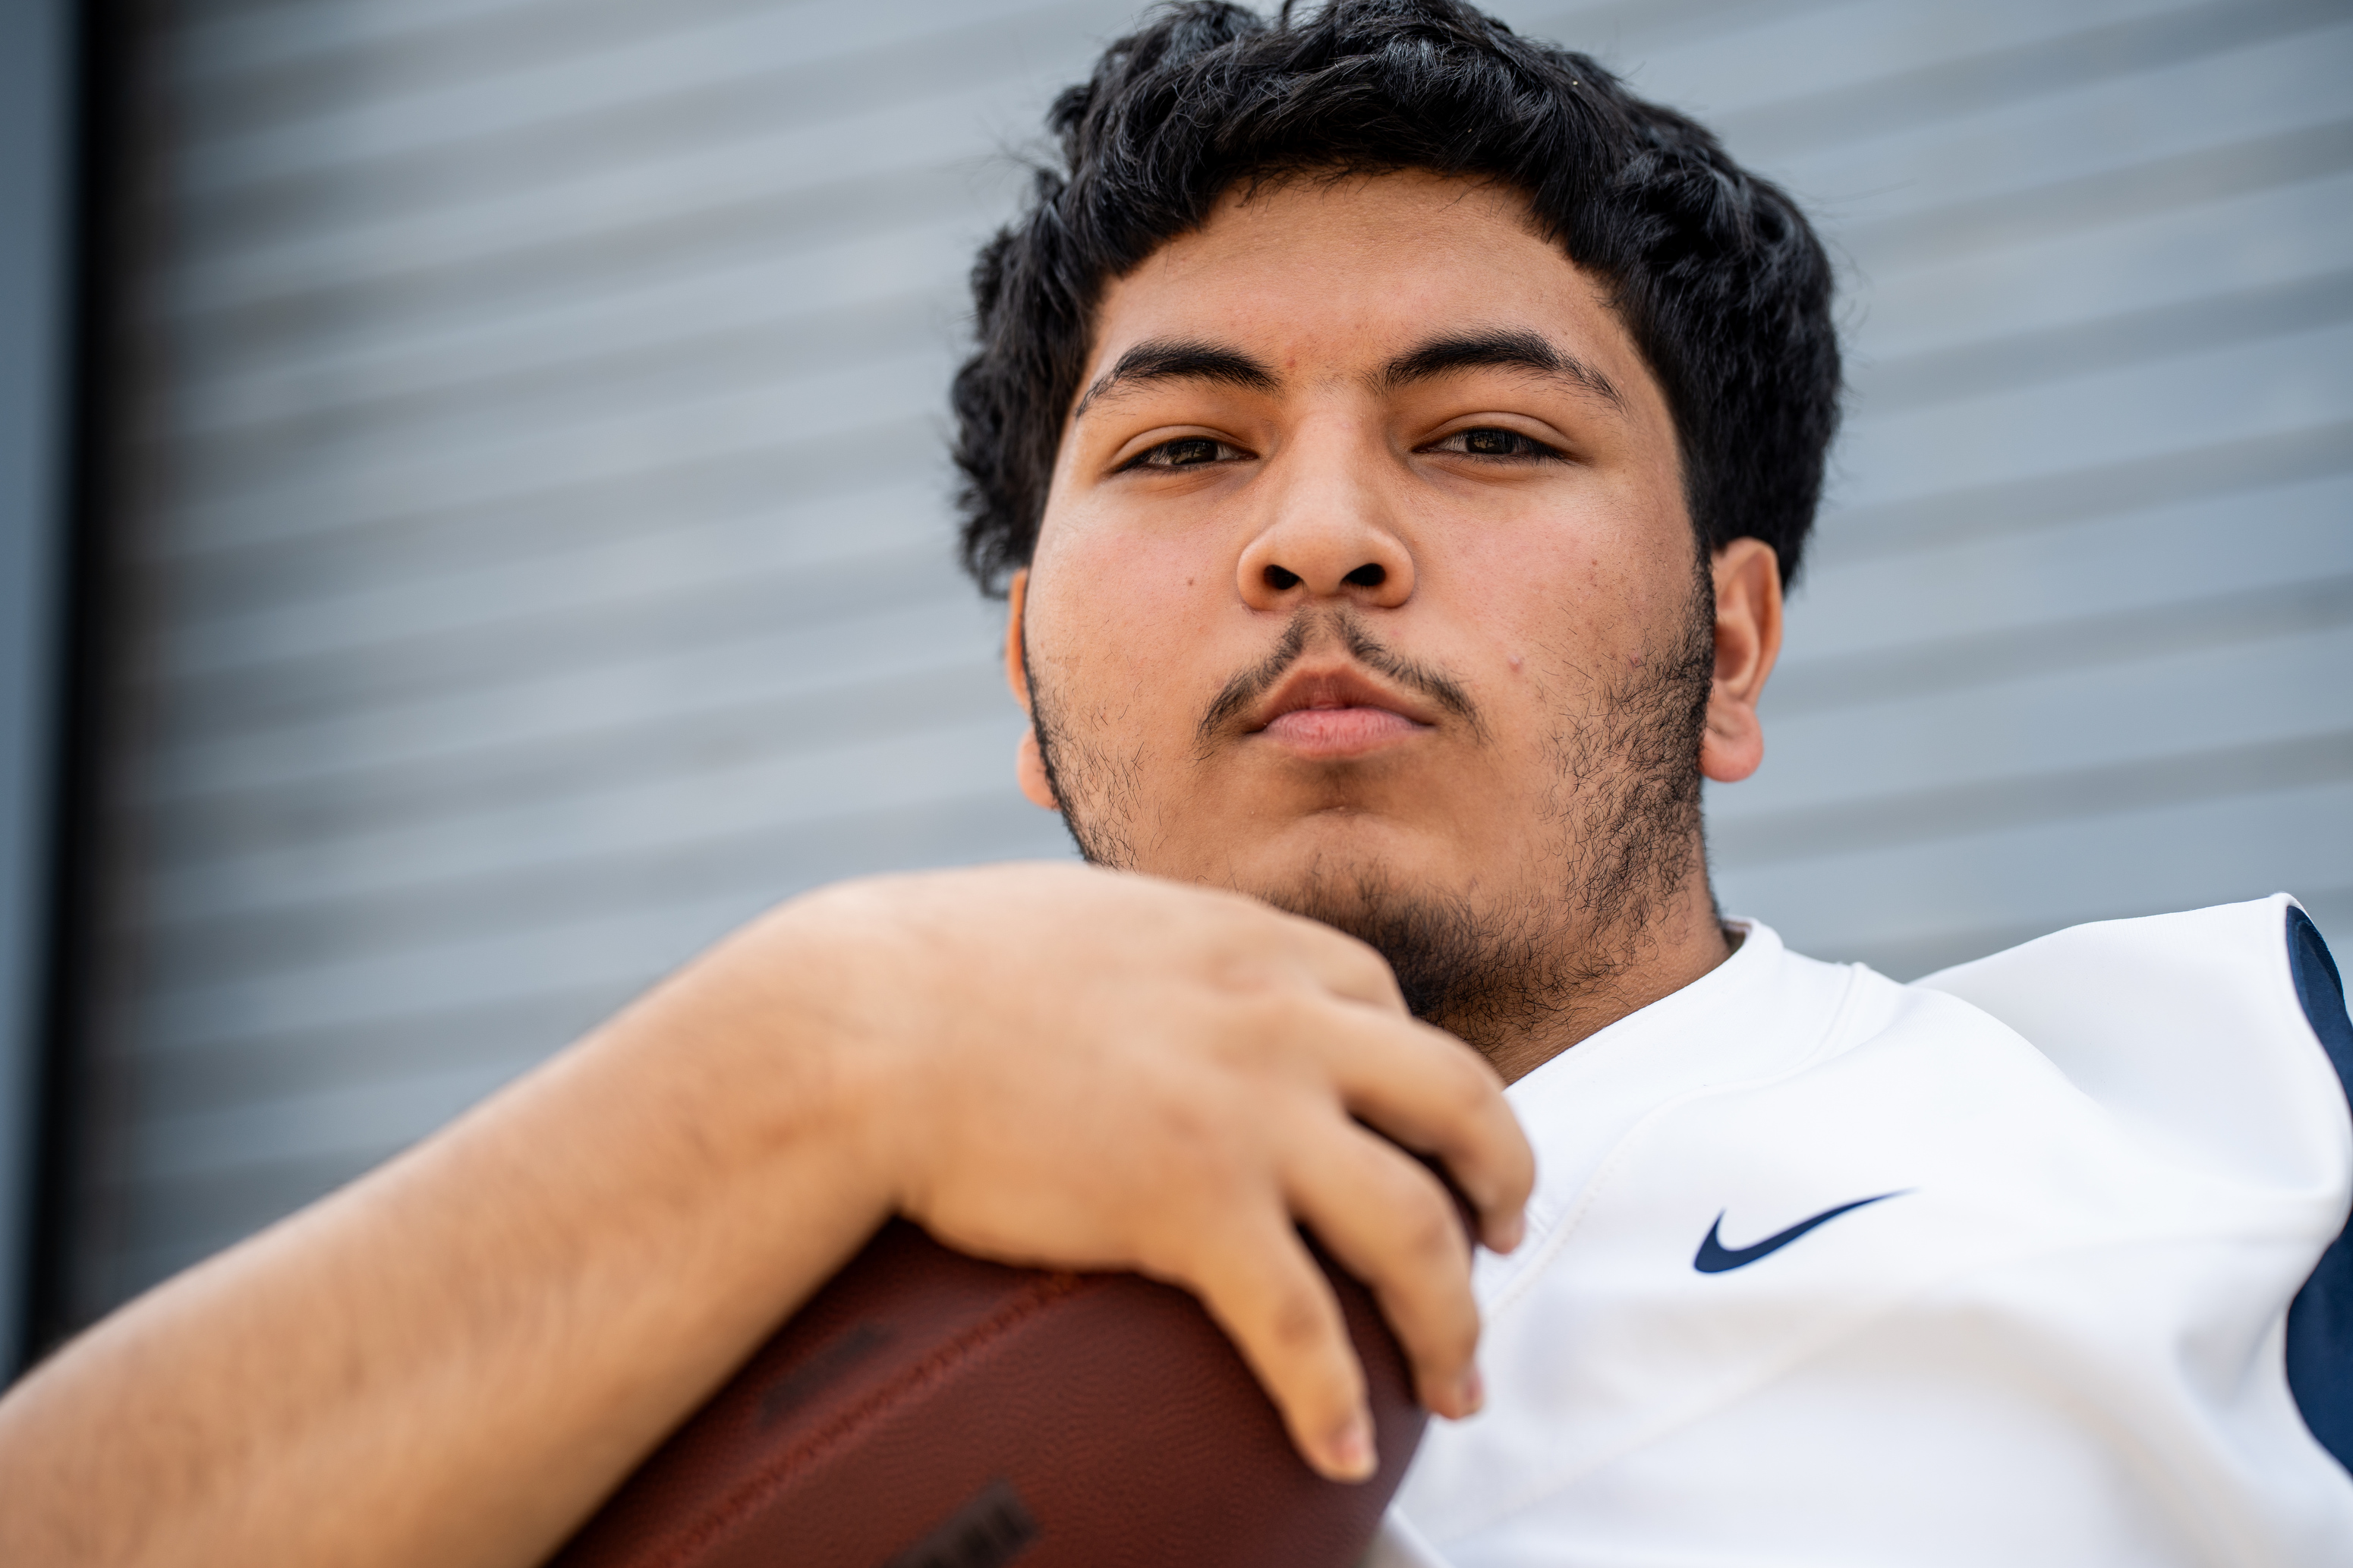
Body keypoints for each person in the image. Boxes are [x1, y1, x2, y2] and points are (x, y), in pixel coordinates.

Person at [2, 2, 2348, 1563]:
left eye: (1484, 434)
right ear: (1026, 687)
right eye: (1183, 446)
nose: (1316, 531)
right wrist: (821, 1037)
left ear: (1726, 650)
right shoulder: (726, 1251)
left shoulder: (2226, 1116)